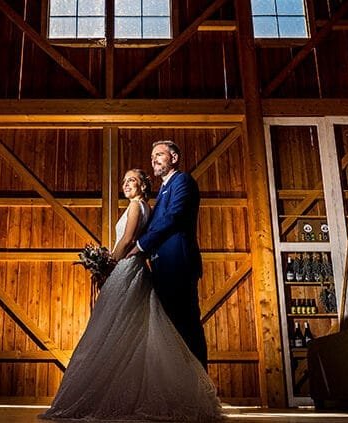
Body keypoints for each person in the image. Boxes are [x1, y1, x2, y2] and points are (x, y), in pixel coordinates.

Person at [40, 169, 222, 421]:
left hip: (127, 267)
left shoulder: (137, 206)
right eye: (124, 181)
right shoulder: (148, 208)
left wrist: (107, 266)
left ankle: (111, 397)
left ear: (143, 186)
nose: (126, 184)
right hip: (133, 268)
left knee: (110, 327)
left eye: (132, 180)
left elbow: (127, 240)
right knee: (130, 328)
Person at [132, 140, 207, 366]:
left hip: (178, 266)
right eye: (152, 157)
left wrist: (140, 246)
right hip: (162, 268)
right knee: (171, 329)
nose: (153, 160)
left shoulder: (182, 181)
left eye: (159, 155)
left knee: (186, 327)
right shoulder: (163, 191)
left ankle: (198, 382)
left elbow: (173, 217)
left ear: (174, 158)